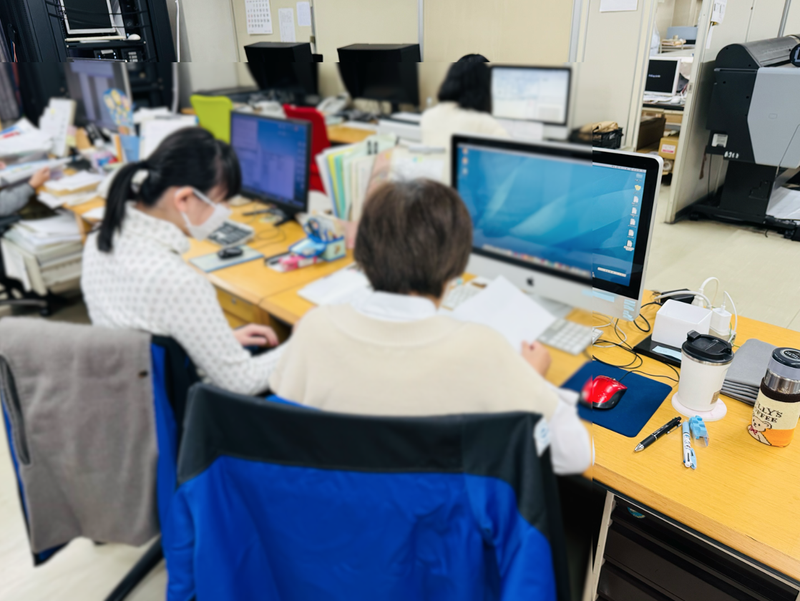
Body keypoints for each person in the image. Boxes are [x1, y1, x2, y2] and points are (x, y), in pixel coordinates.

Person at [270, 179, 592, 475]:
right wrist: (533, 380)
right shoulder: (483, 349)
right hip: (440, 518)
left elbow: (282, 437)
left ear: (363, 252)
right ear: (457, 263)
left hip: (336, 512)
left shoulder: (315, 328)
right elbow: (575, 455)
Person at [81, 127, 283, 395]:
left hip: (132, 391)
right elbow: (243, 382)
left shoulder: (99, 237)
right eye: (221, 201)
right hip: (183, 405)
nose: (226, 211)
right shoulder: (179, 282)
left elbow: (140, 326)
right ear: (184, 199)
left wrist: (217, 342)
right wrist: (304, 340)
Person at [420, 54, 509, 183]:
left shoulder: (428, 116)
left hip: (434, 191)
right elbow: (507, 168)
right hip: (466, 192)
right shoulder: (485, 123)